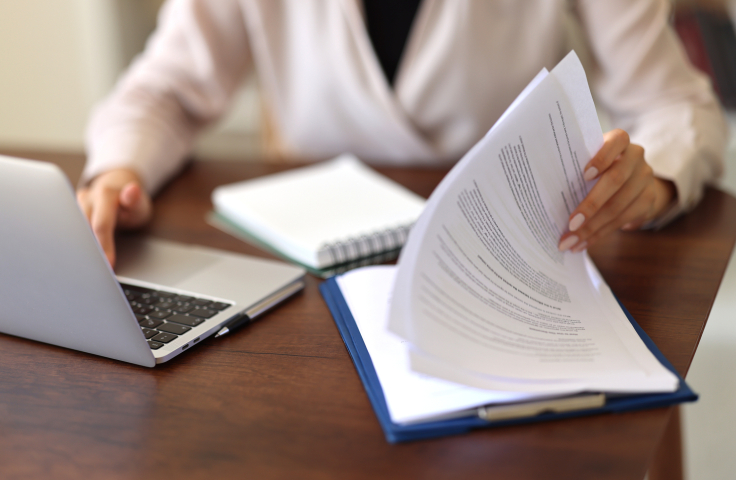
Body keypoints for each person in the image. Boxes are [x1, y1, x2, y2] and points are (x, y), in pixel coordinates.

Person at [77, 0, 727, 267]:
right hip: (310, 278)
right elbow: (164, 90)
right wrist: (119, 171)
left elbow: (673, 103)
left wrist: (656, 179)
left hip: (514, 256)